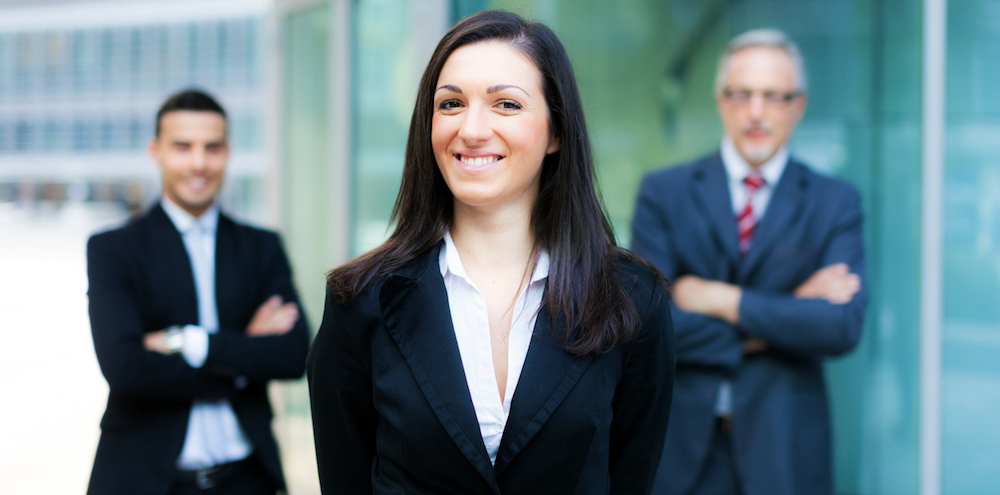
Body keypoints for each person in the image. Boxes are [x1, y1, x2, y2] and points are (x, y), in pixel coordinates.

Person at [307, 10, 675, 495]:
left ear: (557, 132)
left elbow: (630, 476)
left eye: (505, 104)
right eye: (451, 103)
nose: (472, 129)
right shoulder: (361, 298)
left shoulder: (632, 299)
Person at [632, 30, 867, 495]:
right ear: (721, 100)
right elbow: (649, 328)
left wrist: (722, 299)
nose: (756, 112)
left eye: (774, 97)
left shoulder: (835, 201)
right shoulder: (664, 193)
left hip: (785, 453)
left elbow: (840, 326)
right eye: (742, 95)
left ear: (798, 105)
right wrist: (790, 307)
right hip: (679, 454)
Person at [86, 89, 310, 495]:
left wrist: (186, 342)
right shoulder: (113, 249)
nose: (199, 163)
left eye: (212, 148)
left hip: (247, 479)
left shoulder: (262, 247)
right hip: (146, 480)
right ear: (155, 151)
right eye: (182, 147)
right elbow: (125, 368)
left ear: (228, 152)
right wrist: (244, 356)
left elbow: (293, 355)